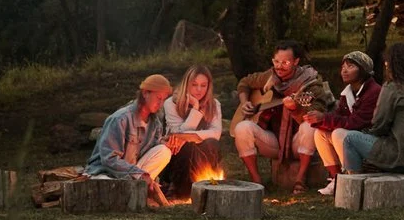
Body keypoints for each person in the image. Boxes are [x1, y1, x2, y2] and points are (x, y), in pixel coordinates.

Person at [231, 40, 335, 192]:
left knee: (309, 126)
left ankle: (300, 179)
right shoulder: (270, 76)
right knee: (242, 128)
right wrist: (245, 101)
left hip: (297, 142)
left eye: (285, 62)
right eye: (276, 61)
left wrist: (295, 109)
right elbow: (244, 83)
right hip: (273, 140)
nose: (279, 66)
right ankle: (257, 182)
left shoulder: (310, 83)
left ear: (296, 62)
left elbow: (316, 113)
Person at [339, 42, 404, 180]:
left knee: (350, 139)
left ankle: (354, 183)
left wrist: (369, 133)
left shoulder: (393, 87)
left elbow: (379, 124)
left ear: (389, 65)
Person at [138, 64, 222, 206]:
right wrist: (195, 109)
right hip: (176, 157)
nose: (199, 90)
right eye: (194, 85)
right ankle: (178, 189)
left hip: (201, 156)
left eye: (203, 85)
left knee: (211, 143)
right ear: (186, 84)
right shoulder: (171, 103)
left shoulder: (214, 104)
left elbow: (215, 133)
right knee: (185, 146)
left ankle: (203, 184)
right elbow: (177, 134)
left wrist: (190, 137)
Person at [307, 50, 381, 200]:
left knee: (339, 133)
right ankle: (336, 178)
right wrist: (319, 120)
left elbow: (356, 122)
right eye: (343, 67)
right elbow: (339, 116)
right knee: (320, 133)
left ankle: (350, 175)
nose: (344, 70)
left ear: (363, 70)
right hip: (353, 133)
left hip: (369, 138)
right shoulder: (347, 93)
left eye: (350, 66)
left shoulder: (374, 92)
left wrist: (324, 118)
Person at [85, 74, 172, 194]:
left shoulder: (155, 123)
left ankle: (133, 188)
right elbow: (109, 159)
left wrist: (164, 142)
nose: (161, 104)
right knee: (107, 186)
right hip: (105, 172)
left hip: (131, 174)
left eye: (164, 100)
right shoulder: (120, 119)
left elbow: (151, 149)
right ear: (145, 93)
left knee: (164, 151)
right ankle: (131, 189)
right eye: (158, 98)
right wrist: (139, 174)